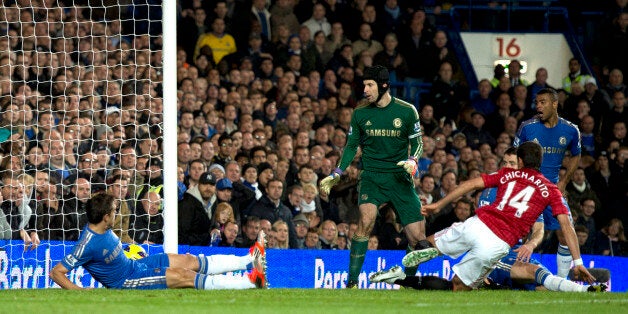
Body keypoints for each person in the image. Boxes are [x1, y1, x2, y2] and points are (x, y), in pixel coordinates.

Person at [401, 141, 595, 291]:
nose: (509, 165)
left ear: (520, 162)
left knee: (427, 244)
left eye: (513, 162)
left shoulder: (505, 176)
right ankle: (582, 289)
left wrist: (439, 204)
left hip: (478, 227)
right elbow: (567, 226)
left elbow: (470, 184)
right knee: (459, 286)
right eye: (506, 162)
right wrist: (577, 262)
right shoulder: (550, 190)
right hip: (498, 244)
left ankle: (403, 274)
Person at [319, 65, 428, 288]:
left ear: (384, 85)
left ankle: (406, 282)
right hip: (371, 176)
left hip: (399, 178)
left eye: (370, 85)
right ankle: (351, 283)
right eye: (364, 85)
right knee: (365, 223)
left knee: (417, 238)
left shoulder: (407, 111)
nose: (365, 89)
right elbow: (351, 146)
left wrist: (413, 160)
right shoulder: (360, 113)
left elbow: (418, 143)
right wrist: (338, 172)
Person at [50, 193, 268, 290]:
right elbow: (56, 272)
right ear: (106, 216)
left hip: (136, 265)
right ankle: (250, 282)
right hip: (128, 282)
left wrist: (129, 251)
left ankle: (249, 259)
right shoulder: (87, 243)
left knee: (188, 259)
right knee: (185, 276)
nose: (117, 213)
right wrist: (78, 291)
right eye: (114, 211)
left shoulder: (106, 228)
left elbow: (112, 253)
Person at [513, 88, 582, 278]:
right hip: (528, 189)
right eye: (537, 103)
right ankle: (518, 277)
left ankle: (561, 280)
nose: (538, 106)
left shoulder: (570, 130)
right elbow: (514, 156)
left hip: (552, 190)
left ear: (554, 104)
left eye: (542, 102)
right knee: (525, 235)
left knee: (564, 232)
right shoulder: (527, 127)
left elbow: (576, 155)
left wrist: (564, 181)